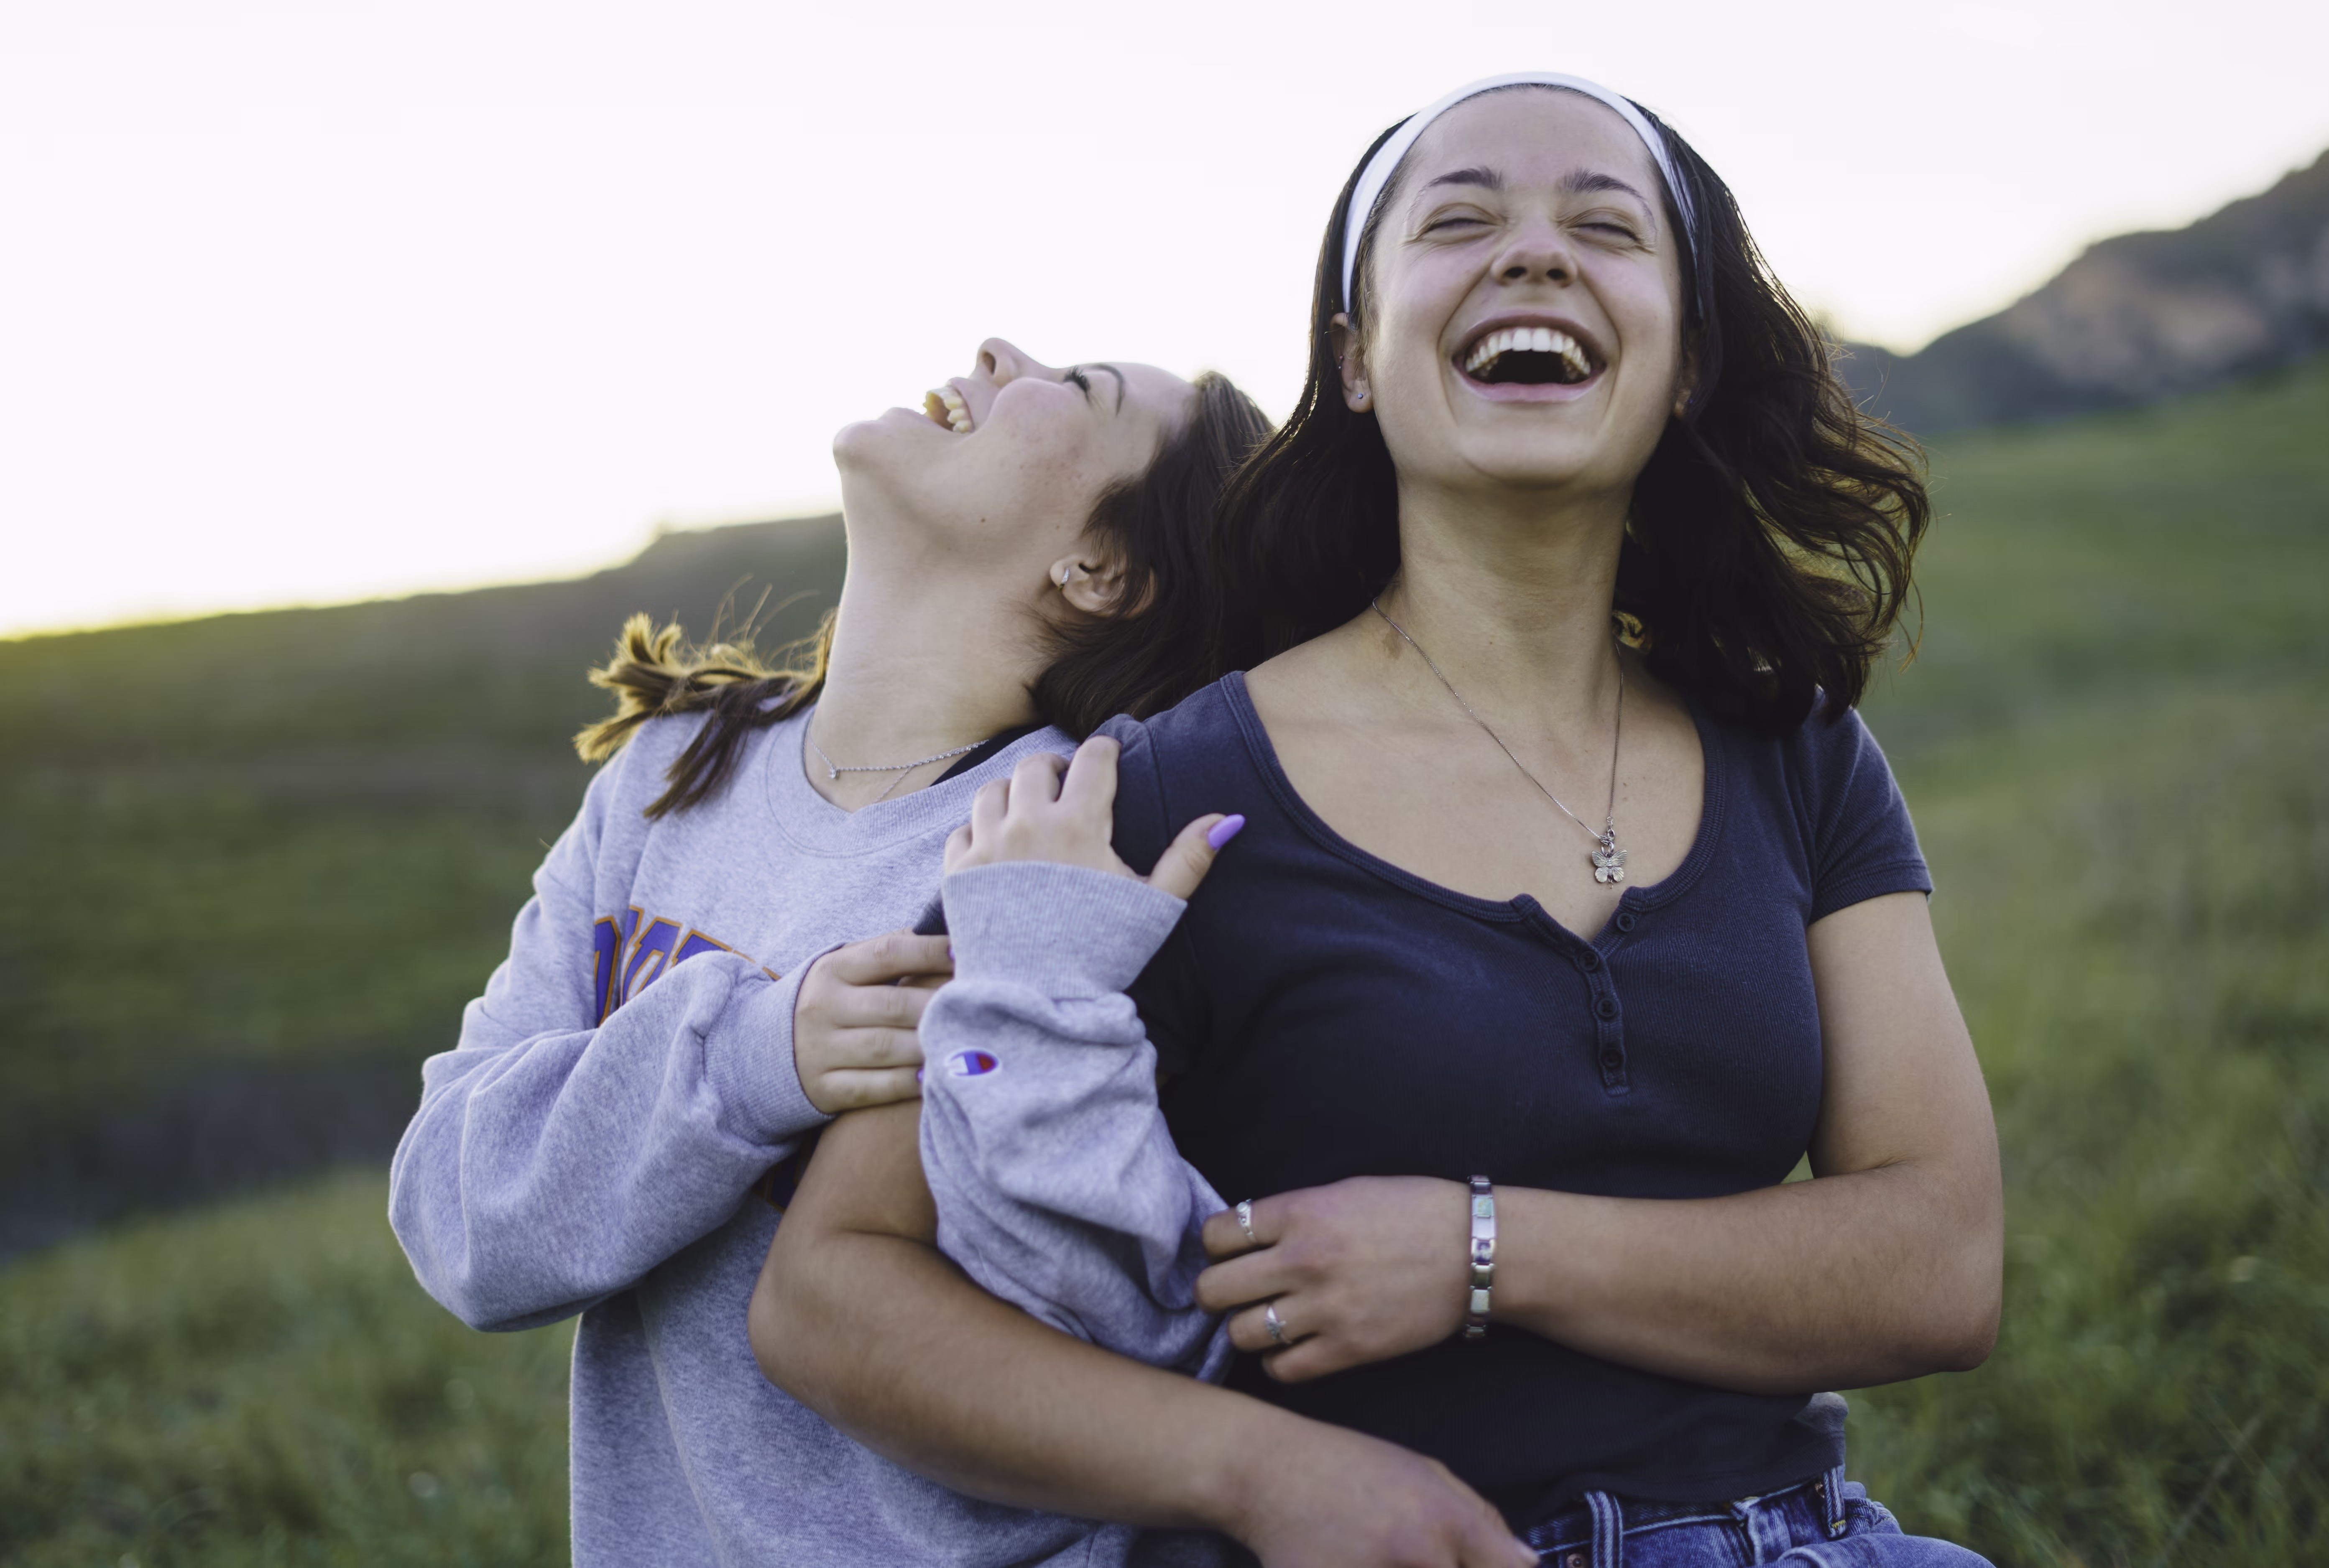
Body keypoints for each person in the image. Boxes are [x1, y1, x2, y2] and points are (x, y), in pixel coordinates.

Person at [751, 74, 2004, 1568]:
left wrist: (1481, 1250)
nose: (1536, 256)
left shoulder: (1797, 751)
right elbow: (832, 1291)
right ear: (1355, 358)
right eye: (1459, 219)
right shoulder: (1163, 791)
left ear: (1683, 364)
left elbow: (1939, 1261)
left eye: (1606, 228)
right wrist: (1262, 1475)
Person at [386, 337, 1280, 1566]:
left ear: (1103, 567)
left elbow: (1116, 1337)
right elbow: (460, 1222)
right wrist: (755, 1057)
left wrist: (1041, 973)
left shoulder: (1067, 843)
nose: (997, 351)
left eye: (1077, 388)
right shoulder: (668, 774)